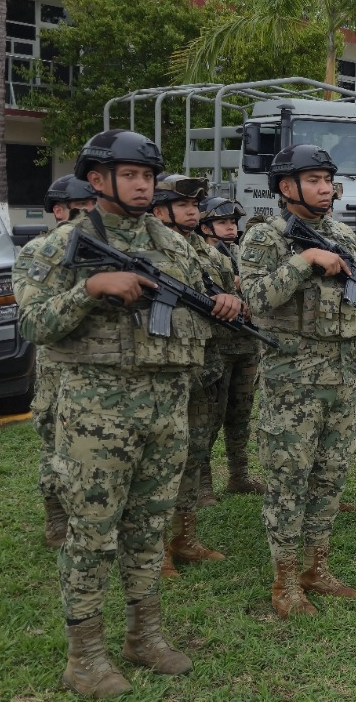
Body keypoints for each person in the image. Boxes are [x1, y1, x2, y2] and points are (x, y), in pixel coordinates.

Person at [14, 129, 239, 697]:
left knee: (148, 527)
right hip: (97, 411)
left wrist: (224, 302)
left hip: (166, 405)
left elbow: (199, 300)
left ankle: (145, 635)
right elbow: (32, 325)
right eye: (131, 175)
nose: (143, 186)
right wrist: (89, 288)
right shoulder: (56, 247)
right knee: (91, 534)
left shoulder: (175, 244)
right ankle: (85, 656)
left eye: (148, 176)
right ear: (96, 180)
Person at [239, 145, 356, 617]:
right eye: (313, 180)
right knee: (288, 480)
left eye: (328, 179)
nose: (325, 188)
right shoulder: (265, 237)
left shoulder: (344, 236)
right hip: (293, 381)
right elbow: (255, 299)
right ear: (286, 187)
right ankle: (285, 580)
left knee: (330, 475)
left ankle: (317, 566)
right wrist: (304, 259)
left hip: (343, 376)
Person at [149, 174, 243, 574]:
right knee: (159, 461)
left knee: (193, 451)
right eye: (184, 205)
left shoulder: (207, 253)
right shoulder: (145, 247)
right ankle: (155, 549)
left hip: (204, 365)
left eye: (195, 205)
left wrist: (229, 300)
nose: (193, 211)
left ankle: (184, 536)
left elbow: (229, 292)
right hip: (162, 370)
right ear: (158, 210)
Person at [22, 175, 98, 551]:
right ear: (59, 210)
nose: (91, 214)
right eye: (82, 207)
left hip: (97, 359)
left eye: (94, 206)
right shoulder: (39, 249)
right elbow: (33, 312)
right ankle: (56, 517)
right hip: (56, 362)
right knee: (55, 441)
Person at [197, 197, 263, 496]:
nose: (231, 228)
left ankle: (239, 476)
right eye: (223, 222)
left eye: (233, 222)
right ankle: (203, 485)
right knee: (210, 417)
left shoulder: (240, 252)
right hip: (218, 347)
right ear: (205, 226)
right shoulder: (198, 256)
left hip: (247, 343)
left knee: (241, 415)